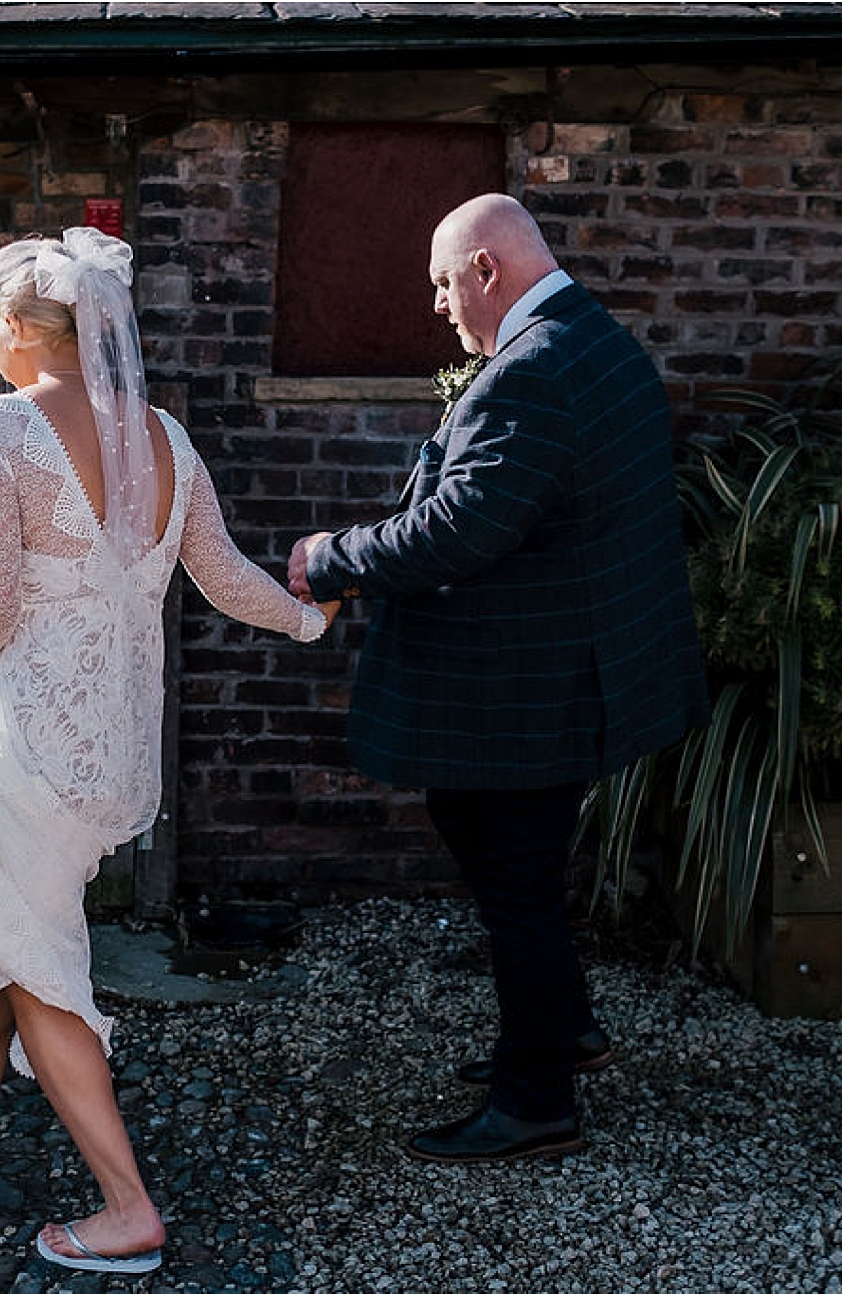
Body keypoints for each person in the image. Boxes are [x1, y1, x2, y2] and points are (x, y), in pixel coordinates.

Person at [0, 227, 334, 1273]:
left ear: (23, 329)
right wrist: (309, 621)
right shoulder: (164, 436)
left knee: (39, 967)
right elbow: (224, 577)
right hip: (111, 752)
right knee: (6, 920)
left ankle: (128, 1208)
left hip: (20, 746)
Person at [288, 193, 708, 1163]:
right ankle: (565, 1033)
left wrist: (334, 554)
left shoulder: (537, 369)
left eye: (444, 284)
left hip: (528, 691)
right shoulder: (593, 338)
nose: (438, 307)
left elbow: (464, 524)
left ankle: (536, 1103)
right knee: (509, 864)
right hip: (568, 669)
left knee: (513, 881)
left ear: (486, 269)